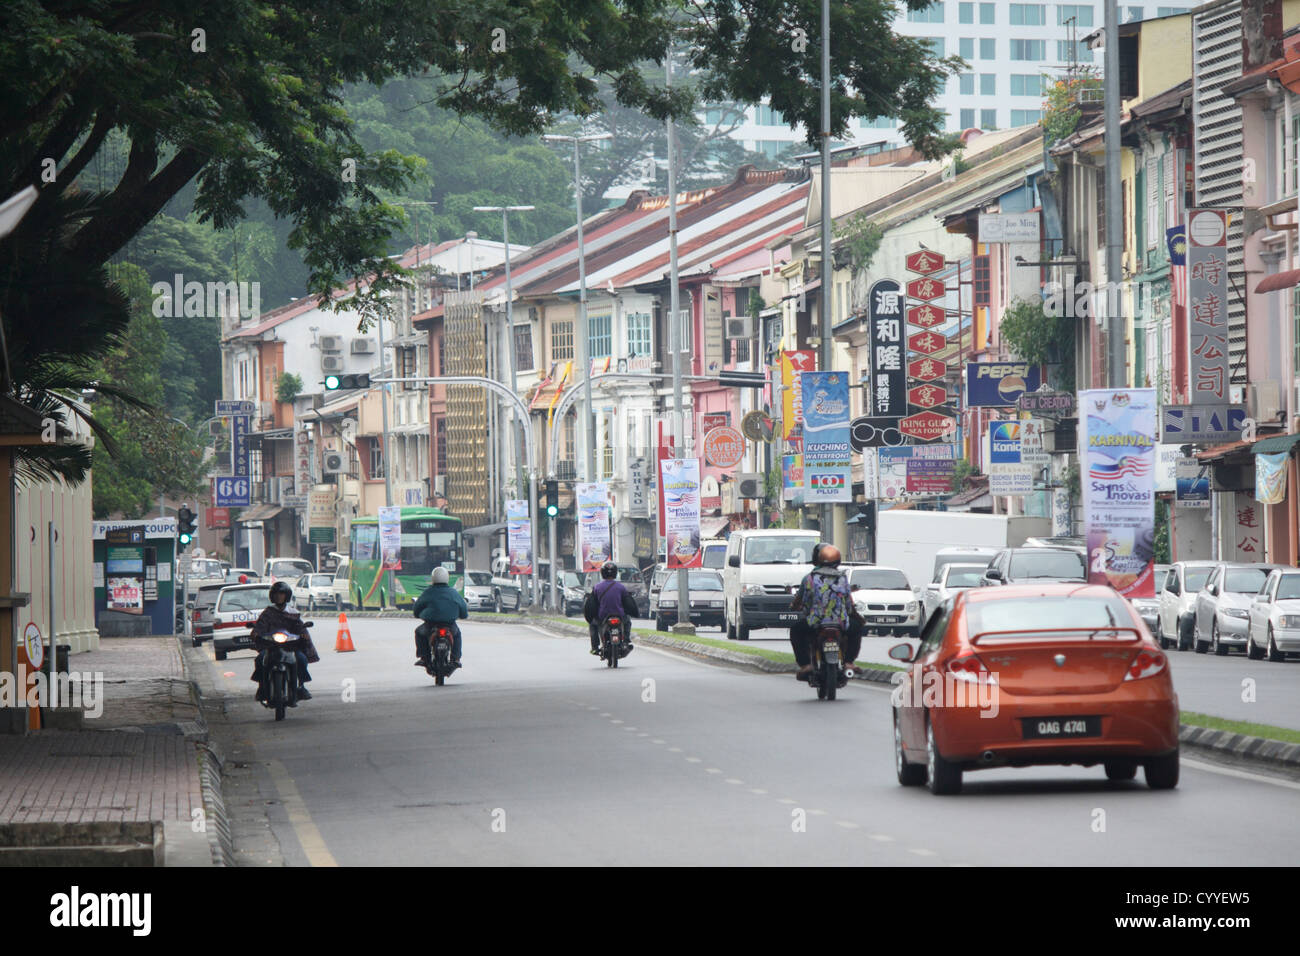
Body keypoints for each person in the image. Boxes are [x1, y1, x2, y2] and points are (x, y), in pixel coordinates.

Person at [788, 544, 862, 683]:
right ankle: (849, 662)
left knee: (796, 630)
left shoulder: (809, 578)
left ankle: (806, 665)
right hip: (840, 622)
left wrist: (800, 608)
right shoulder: (843, 578)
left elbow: (804, 601)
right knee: (856, 629)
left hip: (816, 621)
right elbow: (848, 603)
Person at [250, 581, 313, 703]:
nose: (279, 596)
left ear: (287, 596)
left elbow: (300, 627)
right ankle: (262, 688)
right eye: (276, 594)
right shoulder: (267, 613)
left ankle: (300, 687)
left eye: (282, 593)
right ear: (272, 596)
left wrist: (303, 633)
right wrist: (256, 633)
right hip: (271, 646)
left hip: (290, 646)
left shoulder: (293, 612)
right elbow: (260, 626)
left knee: (301, 659)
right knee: (259, 660)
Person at [413, 567, 468, 668]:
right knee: (457, 635)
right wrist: (462, 615)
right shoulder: (453, 593)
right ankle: (455, 658)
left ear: (433, 578)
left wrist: (417, 614)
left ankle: (424, 657)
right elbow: (463, 609)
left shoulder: (428, 592)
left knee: (418, 632)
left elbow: (417, 607)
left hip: (430, 625)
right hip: (450, 625)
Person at [583, 560, 639, 656]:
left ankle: (595, 647)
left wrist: (590, 615)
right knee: (628, 621)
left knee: (592, 624)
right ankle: (626, 641)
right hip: (620, 615)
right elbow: (627, 601)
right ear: (615, 573)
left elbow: (593, 603)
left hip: (602, 616)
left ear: (602, 573)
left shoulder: (597, 587)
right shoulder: (621, 587)